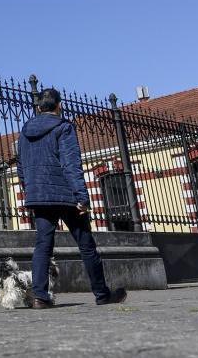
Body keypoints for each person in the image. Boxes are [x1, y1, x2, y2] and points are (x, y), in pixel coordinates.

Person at [17, 88, 128, 309]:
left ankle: (40, 296)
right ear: (60, 105)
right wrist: (82, 197)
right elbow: (70, 164)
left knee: (43, 246)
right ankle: (101, 293)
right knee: (86, 245)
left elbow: (21, 166)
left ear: (39, 108)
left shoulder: (24, 132)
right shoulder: (63, 127)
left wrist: (31, 189)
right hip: (65, 194)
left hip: (39, 195)